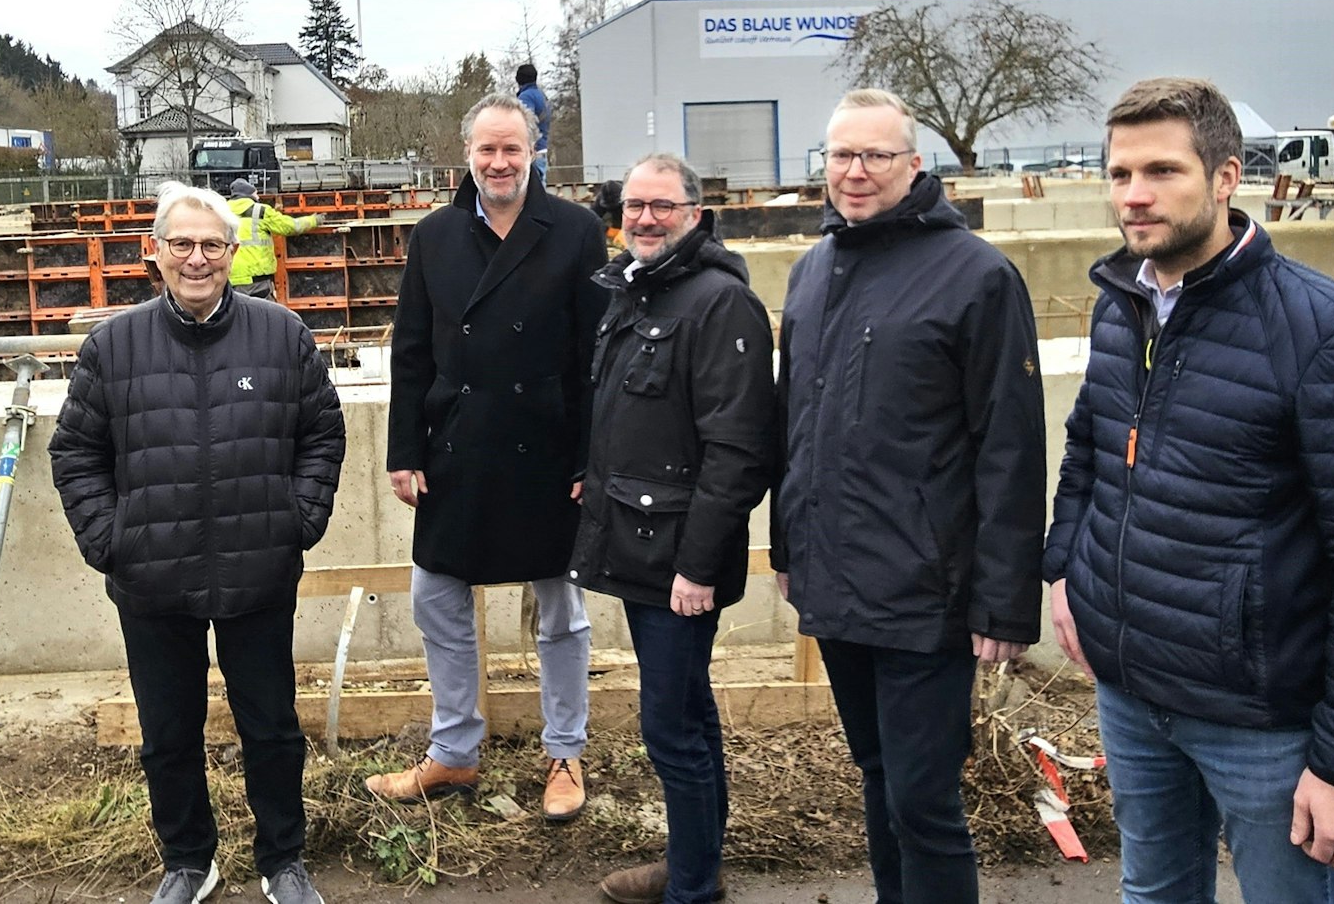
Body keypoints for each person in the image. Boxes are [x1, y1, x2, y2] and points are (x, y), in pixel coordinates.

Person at [1046, 76, 1334, 902]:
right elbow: (1090, 447)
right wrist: (1065, 572)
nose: (1135, 196)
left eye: (1162, 171)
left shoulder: (1323, 333)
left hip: (1262, 719)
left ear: (1227, 177)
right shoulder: (1123, 304)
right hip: (1133, 689)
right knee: (1153, 892)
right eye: (1119, 174)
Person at [769, 88, 1048, 904]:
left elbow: (1010, 447)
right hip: (838, 579)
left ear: (914, 165)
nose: (854, 173)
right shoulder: (814, 269)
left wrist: (1003, 603)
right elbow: (798, 425)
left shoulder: (977, 276)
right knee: (878, 776)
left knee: (924, 800)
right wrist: (790, 550)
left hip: (927, 589)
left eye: (874, 156)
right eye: (840, 156)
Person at [49, 181, 346, 904]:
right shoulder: (113, 346)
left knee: (272, 728)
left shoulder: (282, 335)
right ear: (154, 252)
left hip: (258, 569)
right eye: (180, 243)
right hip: (153, 578)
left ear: (235, 252)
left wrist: (294, 520)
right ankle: (189, 859)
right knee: (168, 733)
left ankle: (283, 860)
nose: (196, 258)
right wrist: (110, 538)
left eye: (212, 244)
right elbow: (75, 452)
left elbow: (322, 435)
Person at [367, 91, 609, 820]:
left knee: (561, 610)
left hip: (548, 444)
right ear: (466, 155)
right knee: (436, 597)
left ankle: (565, 750)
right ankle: (454, 752)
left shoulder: (574, 230)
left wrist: (589, 460)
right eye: (486, 150)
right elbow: (411, 351)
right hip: (458, 445)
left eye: (513, 148)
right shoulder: (435, 235)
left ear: (535, 150)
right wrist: (403, 450)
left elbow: (595, 357)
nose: (499, 162)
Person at [571, 154, 775, 904]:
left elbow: (737, 450)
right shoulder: (639, 291)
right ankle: (697, 862)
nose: (646, 218)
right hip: (638, 542)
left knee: (670, 726)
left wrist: (698, 566)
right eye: (634, 206)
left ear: (695, 212)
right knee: (687, 710)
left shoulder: (718, 304)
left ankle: (691, 885)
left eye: (662, 205)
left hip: (679, 560)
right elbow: (637, 415)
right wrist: (595, 477)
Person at [226, 177, 322, 300]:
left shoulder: (221, 213)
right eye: (256, 193)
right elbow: (291, 226)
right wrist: (314, 220)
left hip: (230, 280)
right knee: (265, 316)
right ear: (249, 194)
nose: (258, 197)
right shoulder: (260, 211)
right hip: (258, 282)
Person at [516, 62, 553, 184]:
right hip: (541, 148)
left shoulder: (526, 96)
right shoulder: (541, 95)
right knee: (540, 191)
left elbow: (525, 122)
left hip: (532, 151)